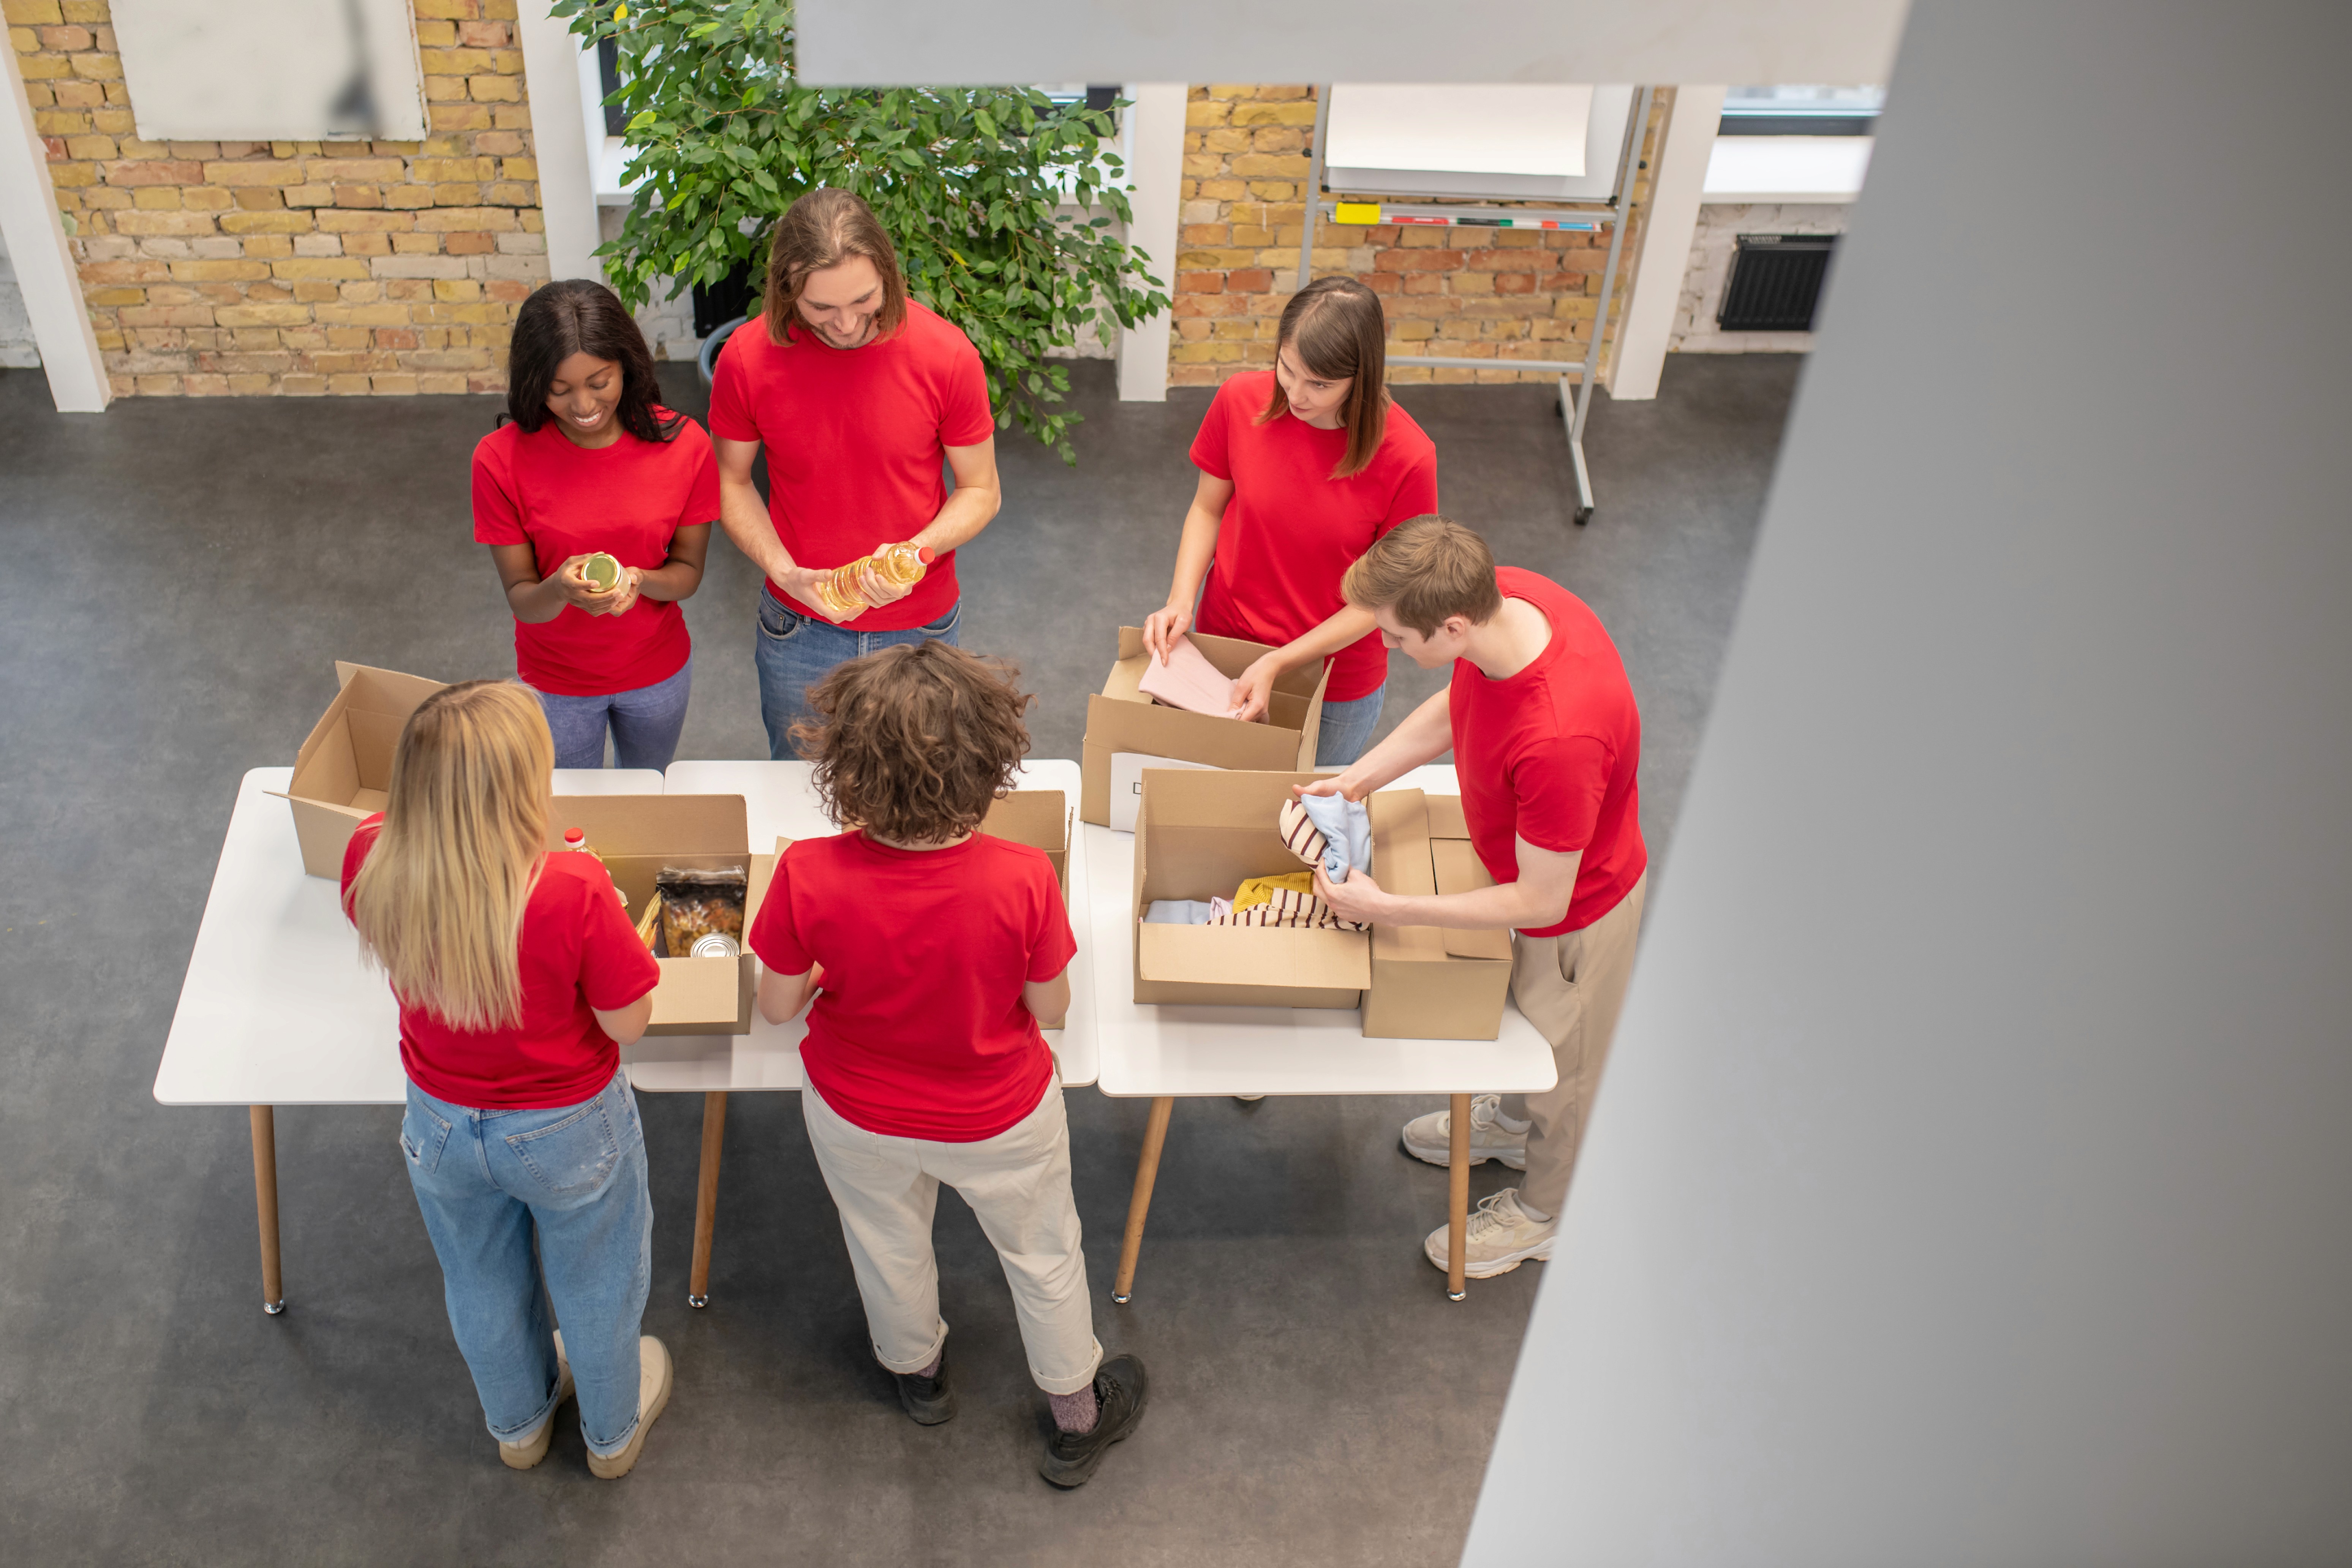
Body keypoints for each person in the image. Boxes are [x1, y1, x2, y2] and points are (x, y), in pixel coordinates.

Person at [749, 641, 1149, 1489]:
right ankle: (1077, 1416)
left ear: (845, 765)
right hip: (999, 1115)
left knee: (886, 1246)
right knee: (1044, 1256)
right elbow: (1051, 1010)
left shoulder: (806, 873)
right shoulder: (1022, 876)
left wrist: (828, 970)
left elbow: (778, 1007)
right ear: (990, 760)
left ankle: (917, 1377)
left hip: (857, 1114)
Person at [342, 681, 673, 1478]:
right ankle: (610, 1437)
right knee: (596, 1280)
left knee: (479, 1275)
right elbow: (630, 1022)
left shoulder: (371, 849)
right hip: (567, 1125)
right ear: (522, 787)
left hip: (441, 1121)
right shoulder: (572, 887)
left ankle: (518, 1427)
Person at [1300, 517, 1647, 1279]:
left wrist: (1388, 908)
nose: (1388, 648)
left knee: (1567, 1069)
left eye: (1396, 637)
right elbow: (1456, 706)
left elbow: (1543, 902)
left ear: (1451, 624)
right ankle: (1513, 1125)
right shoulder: (1505, 601)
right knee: (1532, 1048)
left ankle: (1546, 1214)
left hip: (1577, 914)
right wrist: (1360, 775)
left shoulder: (1560, 739)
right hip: (1524, 864)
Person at [708, 187, 1002, 759]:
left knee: (920, 795)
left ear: (887, 274)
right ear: (786, 289)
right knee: (800, 792)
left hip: (921, 630)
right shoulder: (746, 360)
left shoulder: (947, 355)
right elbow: (732, 481)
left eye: (863, 300)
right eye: (821, 308)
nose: (845, 324)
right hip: (799, 629)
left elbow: (982, 490)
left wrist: (916, 552)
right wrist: (784, 571)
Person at [1142, 277, 1437, 766]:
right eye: (1287, 369)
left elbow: (1387, 595)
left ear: (1361, 379)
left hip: (1333, 683)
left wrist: (1280, 661)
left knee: (1293, 828)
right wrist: (1180, 599)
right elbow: (1207, 508)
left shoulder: (1409, 458)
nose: (1297, 394)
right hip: (1225, 650)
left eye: (1321, 384)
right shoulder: (1239, 400)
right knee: (1202, 801)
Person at [474, 278, 718, 771]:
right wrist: (561, 590)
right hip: (556, 685)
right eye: (558, 390)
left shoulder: (686, 446)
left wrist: (641, 579)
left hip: (657, 673)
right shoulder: (498, 461)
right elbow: (523, 598)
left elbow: (687, 573)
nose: (583, 406)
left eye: (599, 382)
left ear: (627, 365)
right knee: (573, 820)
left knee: (645, 799)